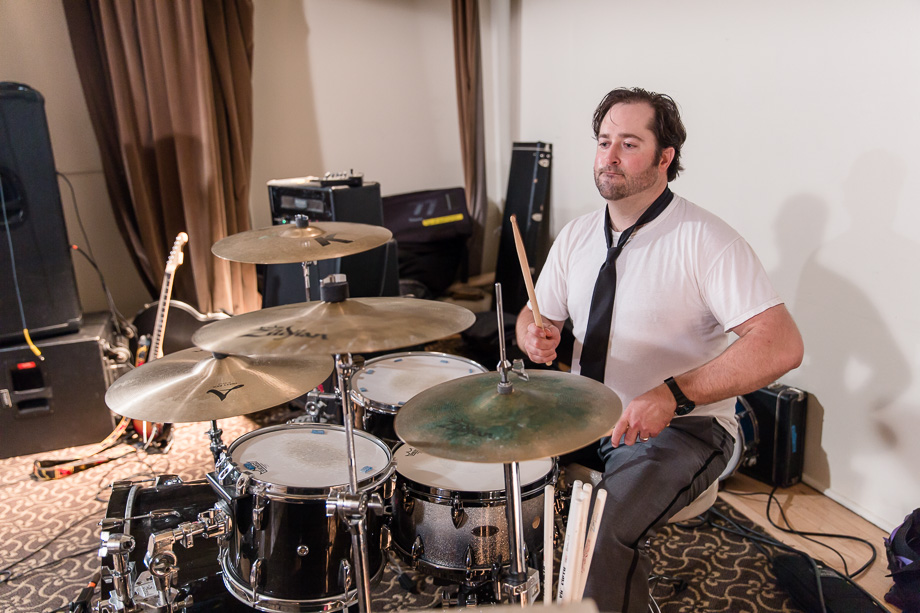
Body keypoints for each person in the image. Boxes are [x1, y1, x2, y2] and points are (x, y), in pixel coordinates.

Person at [515, 87, 804, 613]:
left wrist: (674, 392)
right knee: (509, 488)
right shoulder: (577, 235)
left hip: (685, 427)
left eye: (629, 143)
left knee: (601, 524)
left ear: (665, 157)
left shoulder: (707, 241)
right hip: (583, 412)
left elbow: (781, 345)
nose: (610, 156)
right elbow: (538, 315)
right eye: (604, 142)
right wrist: (532, 332)